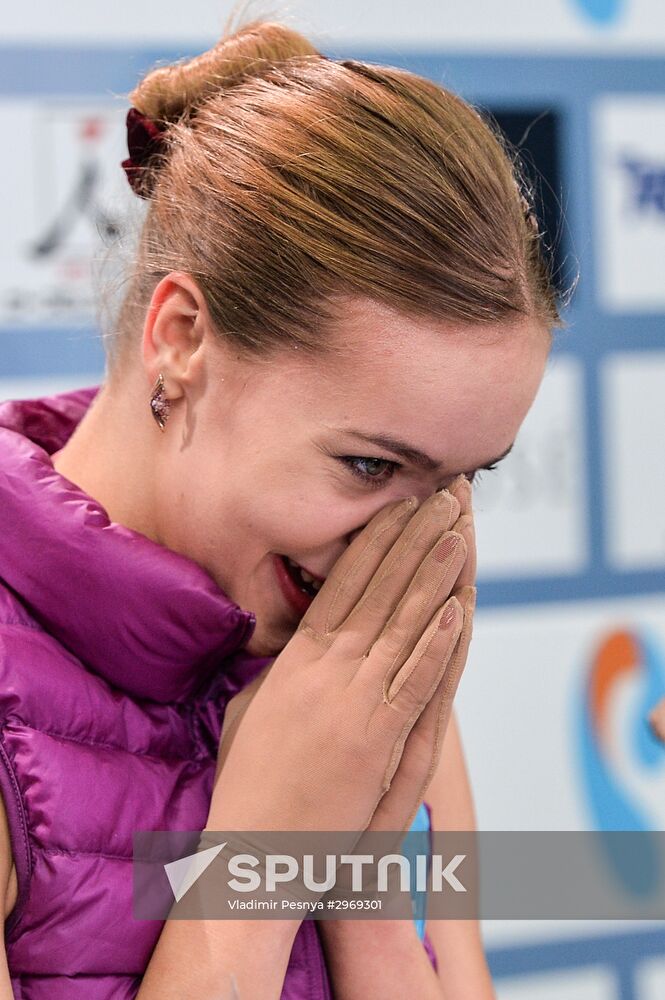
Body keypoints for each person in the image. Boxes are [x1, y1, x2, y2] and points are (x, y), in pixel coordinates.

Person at [0, 16, 561, 999]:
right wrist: (264, 855)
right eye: (368, 465)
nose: (403, 545)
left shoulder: (368, 666)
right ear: (182, 339)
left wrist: (360, 888)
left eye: (460, 481)